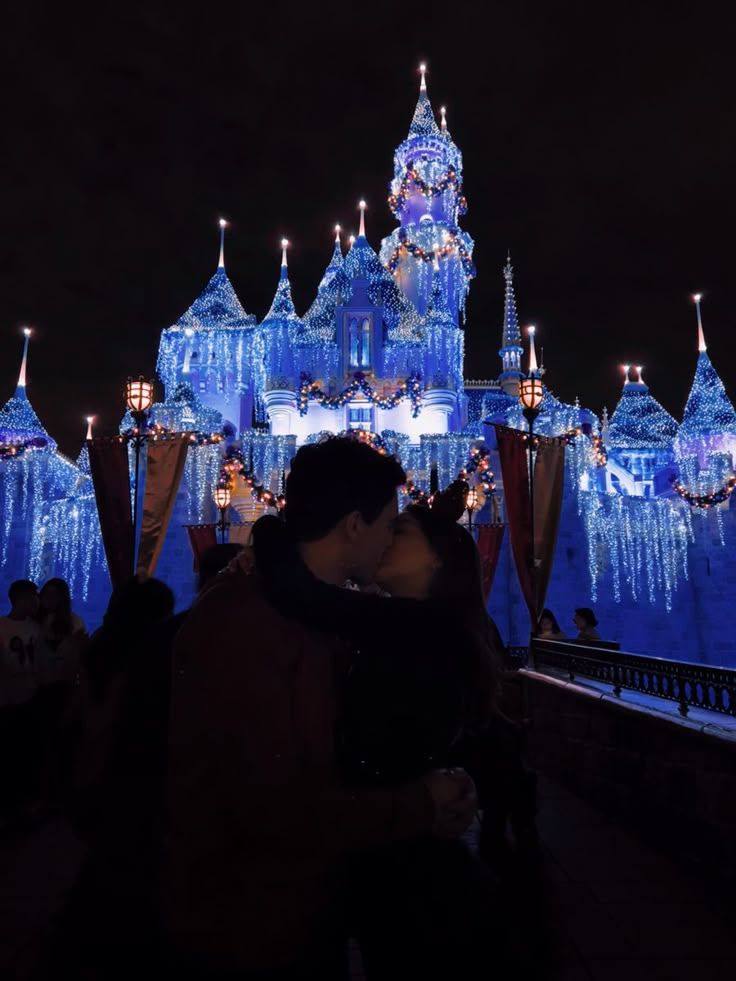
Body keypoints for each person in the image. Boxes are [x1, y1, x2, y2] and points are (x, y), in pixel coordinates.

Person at [165, 437, 477, 980]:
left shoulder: (329, 618)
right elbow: (269, 811)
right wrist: (423, 804)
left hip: (312, 912)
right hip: (246, 930)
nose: (387, 543)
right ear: (356, 525)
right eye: (390, 525)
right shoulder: (245, 623)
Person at [54, 576, 176, 980]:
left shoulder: (99, 650)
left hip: (95, 778)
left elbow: (79, 715)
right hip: (130, 776)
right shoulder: (152, 660)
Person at [0, 580, 42, 814]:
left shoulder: (36, 628)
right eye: (32, 597)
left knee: (22, 751)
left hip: (29, 697)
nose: (36, 601)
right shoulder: (2, 627)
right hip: (7, 700)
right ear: (20, 599)